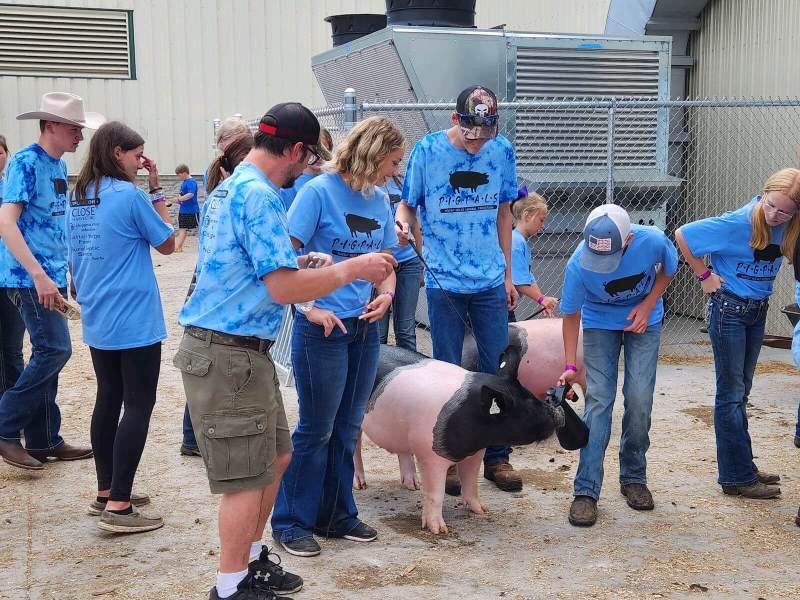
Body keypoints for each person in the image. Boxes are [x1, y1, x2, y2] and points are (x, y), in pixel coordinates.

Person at [175, 102, 396, 600]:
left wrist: (299, 259)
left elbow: (248, 263)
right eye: (307, 156)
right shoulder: (261, 195)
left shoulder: (236, 186)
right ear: (295, 150)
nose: (309, 166)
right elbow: (280, 288)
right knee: (244, 479)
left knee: (275, 458)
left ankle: (251, 561)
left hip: (241, 352)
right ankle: (230, 586)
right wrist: (348, 269)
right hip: (228, 353)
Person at [271, 116, 401, 558]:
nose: (395, 171)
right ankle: (290, 521)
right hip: (321, 328)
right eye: (393, 161)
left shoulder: (380, 198)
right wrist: (309, 306)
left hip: (363, 326)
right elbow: (282, 257)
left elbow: (386, 260)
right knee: (316, 428)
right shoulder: (317, 193)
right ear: (373, 154)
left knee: (347, 427)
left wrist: (386, 294)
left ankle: (336, 514)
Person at [395, 85, 522, 493]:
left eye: (486, 130)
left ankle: (497, 457)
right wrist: (402, 224)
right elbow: (407, 203)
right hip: (442, 277)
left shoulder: (501, 150)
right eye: (471, 130)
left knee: (497, 367)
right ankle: (448, 456)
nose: (478, 139)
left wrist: (506, 273)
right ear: (455, 120)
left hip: (488, 277)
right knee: (447, 370)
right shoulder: (427, 152)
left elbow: (505, 212)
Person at [67, 121, 174, 533]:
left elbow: (74, 258)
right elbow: (167, 242)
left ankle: (105, 490)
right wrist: (156, 187)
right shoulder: (128, 195)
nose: (139, 160)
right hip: (134, 314)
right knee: (139, 404)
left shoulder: (80, 195)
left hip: (99, 312)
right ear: (117, 153)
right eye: (136, 154)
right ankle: (120, 505)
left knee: (109, 397)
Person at [675, 168, 800, 500]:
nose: (775, 215)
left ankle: (742, 465)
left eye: (785, 211)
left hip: (758, 310)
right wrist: (703, 275)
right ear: (764, 195)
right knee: (730, 395)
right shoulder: (738, 222)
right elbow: (683, 234)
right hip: (729, 309)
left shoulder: (790, 227)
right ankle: (736, 477)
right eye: (771, 205)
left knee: (740, 392)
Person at [0, 92, 103, 471]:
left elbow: (57, 224)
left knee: (47, 351)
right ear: (51, 126)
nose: (79, 135)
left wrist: (67, 272)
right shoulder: (25, 163)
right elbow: (6, 222)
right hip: (27, 277)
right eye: (74, 128)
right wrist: (39, 275)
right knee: (54, 350)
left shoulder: (57, 167)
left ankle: (43, 438)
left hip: (49, 275)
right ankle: (5, 426)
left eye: (80, 129)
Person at [558, 203, 678, 527]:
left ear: (628, 240)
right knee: (599, 399)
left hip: (645, 319)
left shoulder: (651, 240)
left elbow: (669, 268)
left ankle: (634, 477)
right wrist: (570, 364)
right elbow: (570, 316)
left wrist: (648, 303)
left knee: (639, 396)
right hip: (599, 322)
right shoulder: (577, 265)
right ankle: (586, 490)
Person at [180, 131, 255, 458]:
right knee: (212, 373)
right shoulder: (233, 197)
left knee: (206, 374)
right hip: (216, 300)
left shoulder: (217, 196)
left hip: (205, 294)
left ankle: (193, 436)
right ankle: (195, 436)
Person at [378, 173, 422, 351]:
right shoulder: (369, 183)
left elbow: (415, 224)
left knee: (406, 329)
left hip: (408, 261)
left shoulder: (403, 182)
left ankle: (410, 372)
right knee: (379, 330)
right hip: (381, 263)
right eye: (393, 161)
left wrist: (420, 262)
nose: (395, 166)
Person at [0, 134, 25, 399]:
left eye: (0, 152)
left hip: (11, 276)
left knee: (13, 349)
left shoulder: (15, 189)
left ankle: (12, 414)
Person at [509, 188, 558, 321]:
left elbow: (528, 277)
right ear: (527, 216)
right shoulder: (515, 242)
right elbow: (518, 282)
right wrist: (541, 299)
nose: (543, 226)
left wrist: (542, 299)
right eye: (541, 220)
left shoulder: (519, 241)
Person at [279, 128, 333, 211]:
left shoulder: (332, 180)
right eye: (315, 151)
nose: (319, 157)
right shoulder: (291, 183)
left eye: (324, 151)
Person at [172, 163, 199, 252]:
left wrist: (179, 199)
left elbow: (190, 195)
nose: (179, 177)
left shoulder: (192, 182)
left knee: (198, 228)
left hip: (192, 210)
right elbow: (182, 193)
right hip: (183, 210)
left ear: (184, 173)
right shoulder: (184, 182)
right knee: (182, 229)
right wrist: (177, 198)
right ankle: (178, 247)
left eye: (179, 175)